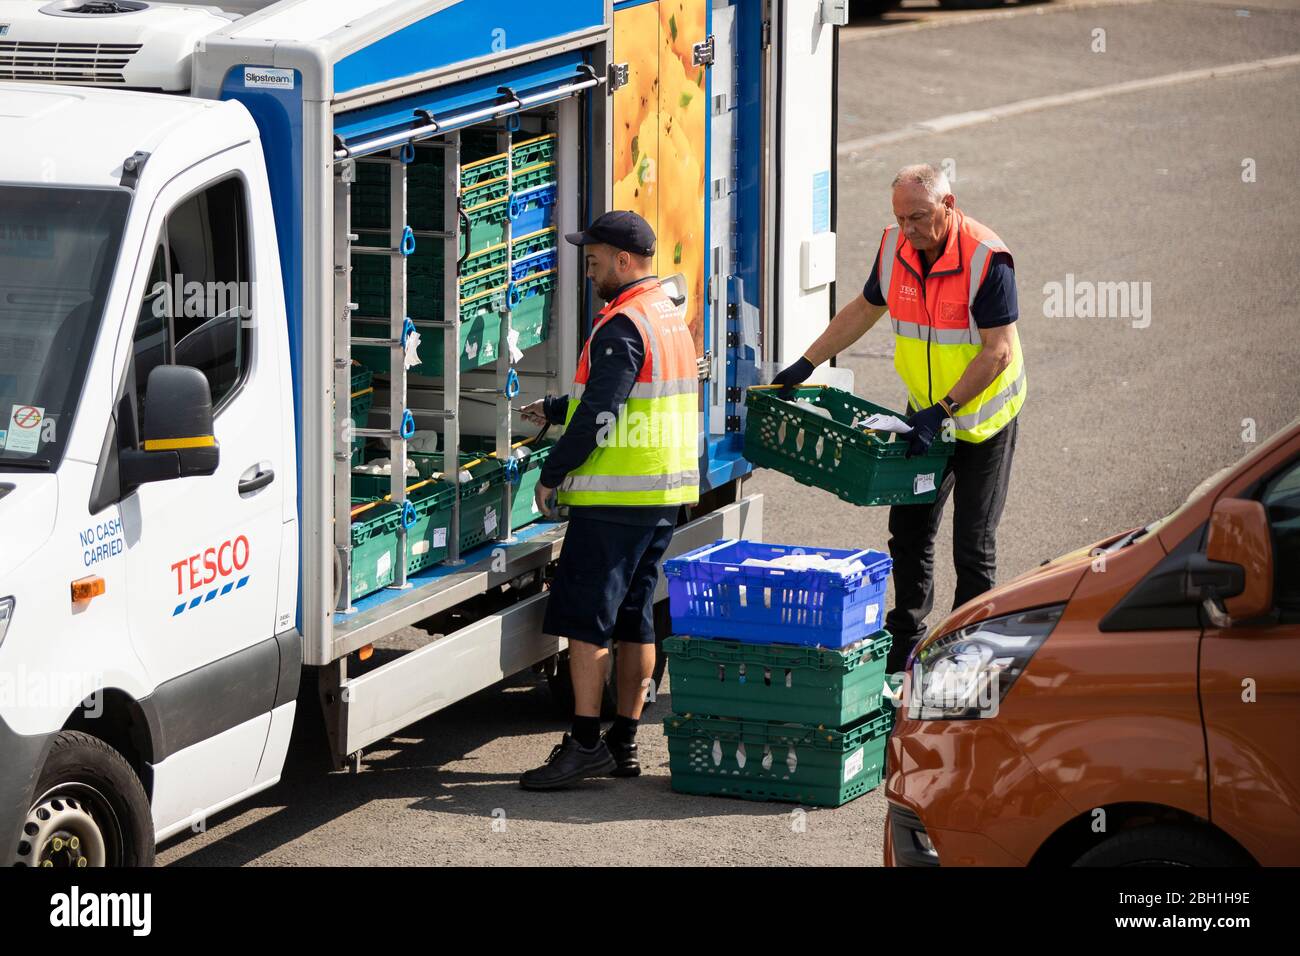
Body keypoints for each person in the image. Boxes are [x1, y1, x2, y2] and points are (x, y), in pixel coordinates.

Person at [772, 164, 1026, 673]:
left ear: (948, 206)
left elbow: (996, 352)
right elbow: (864, 310)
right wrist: (808, 361)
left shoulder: (986, 258)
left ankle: (967, 655)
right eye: (901, 218)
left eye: (920, 217)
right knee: (909, 532)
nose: (909, 229)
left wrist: (944, 410)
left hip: (981, 420)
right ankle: (905, 641)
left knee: (972, 546)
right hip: (925, 417)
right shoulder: (895, 248)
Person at [518, 210, 699, 790]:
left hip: (616, 498)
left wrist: (552, 472)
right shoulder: (666, 315)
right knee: (636, 618)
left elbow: (603, 410)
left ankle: (584, 743)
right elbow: (622, 395)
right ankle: (624, 743)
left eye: (594, 256)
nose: (588, 263)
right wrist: (552, 410)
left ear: (624, 260)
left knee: (588, 624)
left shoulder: (622, 324)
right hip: (662, 491)